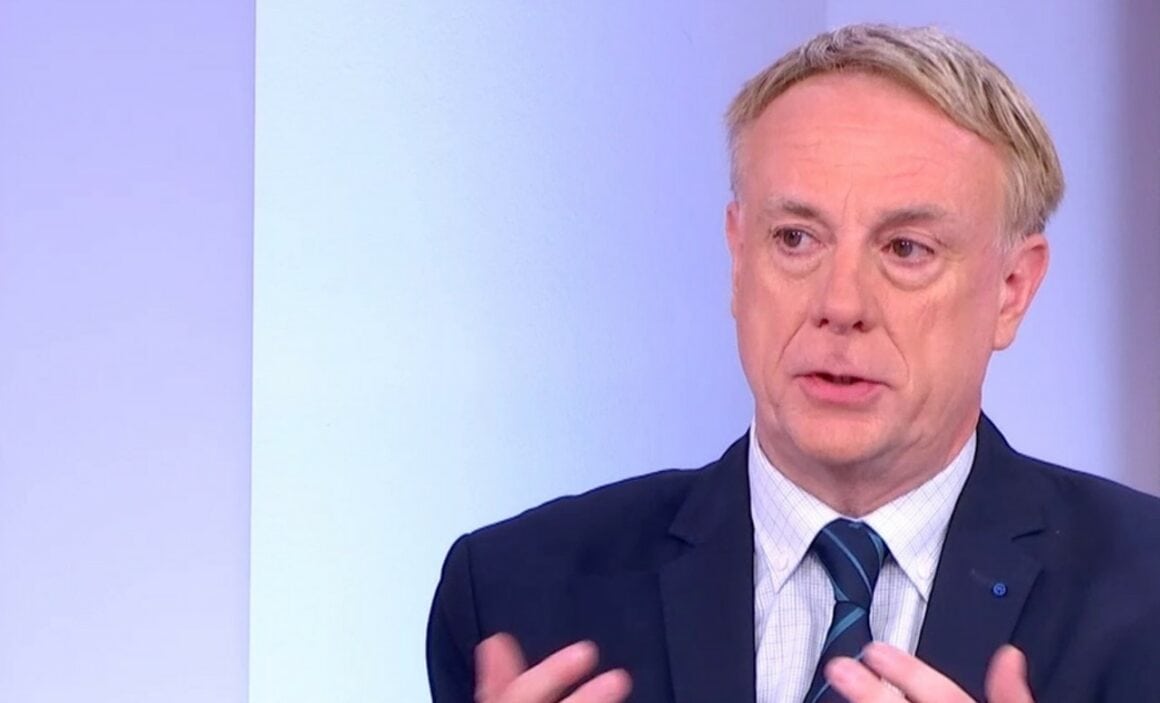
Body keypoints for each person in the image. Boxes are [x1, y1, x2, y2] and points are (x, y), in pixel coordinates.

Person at [426, 23, 1160, 703]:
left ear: (1012, 289)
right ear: (737, 256)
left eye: (906, 249)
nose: (840, 304)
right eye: (796, 239)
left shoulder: (1144, 594)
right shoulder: (518, 595)